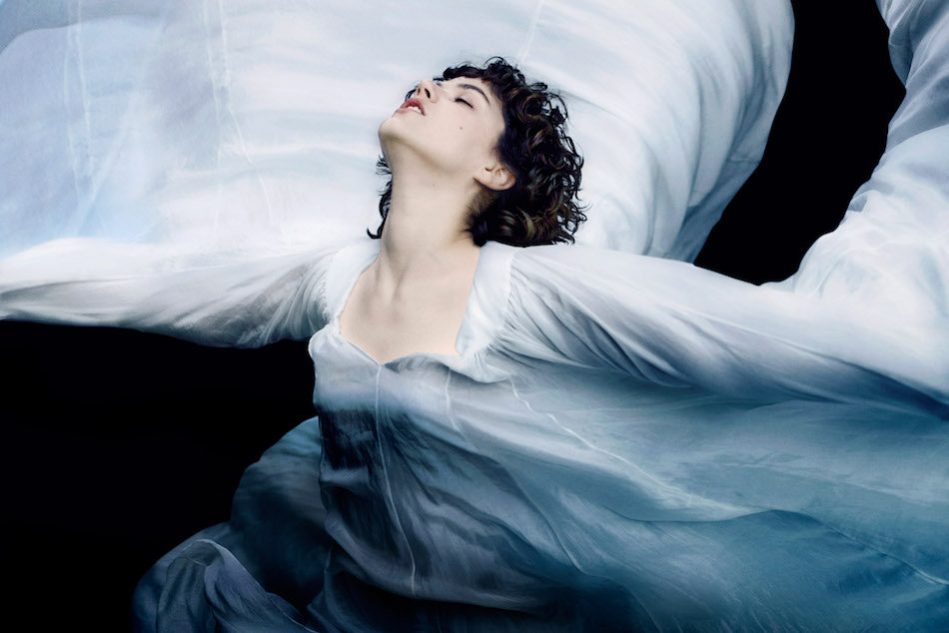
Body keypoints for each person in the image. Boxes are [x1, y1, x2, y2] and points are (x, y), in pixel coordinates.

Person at [3, 14, 949, 632]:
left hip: (522, 606)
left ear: (496, 169)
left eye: (462, 99)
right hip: (365, 605)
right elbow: (156, 285)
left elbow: (762, 345)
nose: (427, 89)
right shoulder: (334, 278)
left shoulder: (528, 293)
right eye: (434, 82)